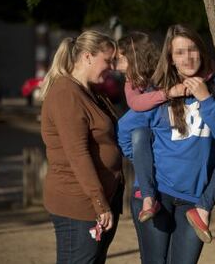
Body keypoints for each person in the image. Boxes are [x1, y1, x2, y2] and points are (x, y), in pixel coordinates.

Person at [118, 24, 215, 263]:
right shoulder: (161, 89)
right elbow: (126, 130)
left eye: (192, 49)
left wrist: (206, 100)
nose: (188, 57)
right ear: (170, 59)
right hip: (157, 195)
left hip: (195, 198)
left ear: (201, 50)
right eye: (179, 52)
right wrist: (143, 163)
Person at [40, 30, 124, 264]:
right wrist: (99, 202)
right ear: (87, 57)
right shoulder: (66, 93)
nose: (112, 67)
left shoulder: (90, 92)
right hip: (78, 205)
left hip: (98, 201)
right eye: (107, 60)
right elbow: (77, 154)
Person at [116, 32, 190, 224]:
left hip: (169, 135)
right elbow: (136, 105)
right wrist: (166, 94)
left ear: (134, 56)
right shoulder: (130, 82)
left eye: (120, 57)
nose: (114, 62)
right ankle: (148, 193)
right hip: (147, 138)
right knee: (135, 133)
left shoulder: (162, 73)